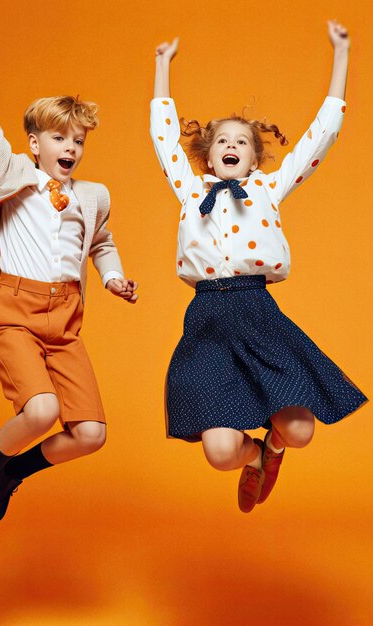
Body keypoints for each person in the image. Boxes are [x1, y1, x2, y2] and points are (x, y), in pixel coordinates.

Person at [151, 21, 367, 513]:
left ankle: (274, 446)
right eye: (222, 140)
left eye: (242, 142)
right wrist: (162, 67)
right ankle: (254, 458)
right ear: (208, 156)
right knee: (221, 450)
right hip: (207, 321)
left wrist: (340, 55)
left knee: (299, 429)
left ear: (254, 159)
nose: (232, 145)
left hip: (257, 312)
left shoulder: (269, 188)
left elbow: (322, 135)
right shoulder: (190, 189)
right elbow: (163, 138)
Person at [0, 13, 138, 530]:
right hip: (17, 314)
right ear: (34, 143)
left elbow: (102, 242)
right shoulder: (16, 176)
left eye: (78, 141)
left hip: (66, 322)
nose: (70, 148)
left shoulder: (94, 196)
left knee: (91, 433)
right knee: (41, 411)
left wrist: (114, 276)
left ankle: (13, 472)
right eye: (59, 138)